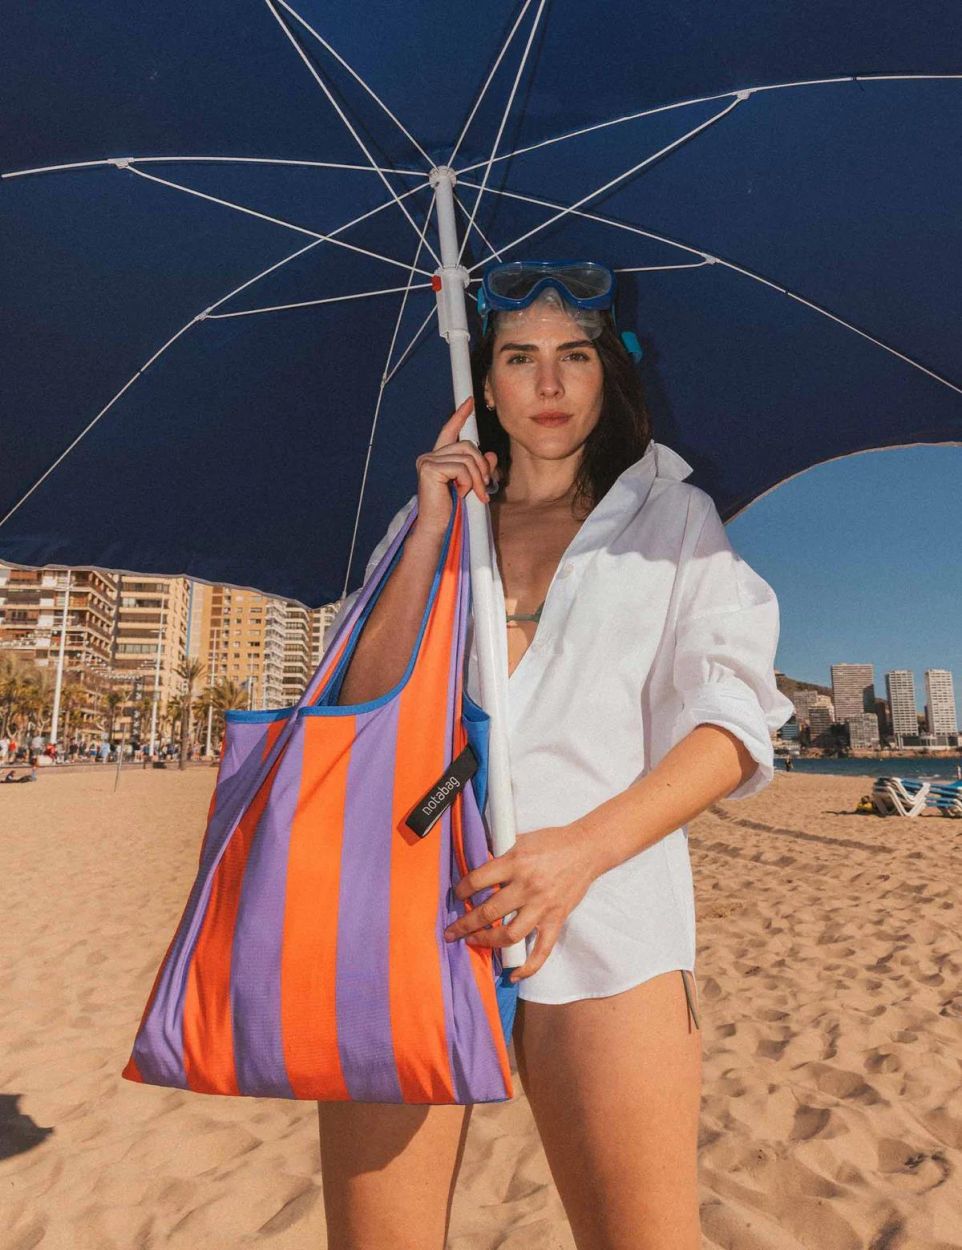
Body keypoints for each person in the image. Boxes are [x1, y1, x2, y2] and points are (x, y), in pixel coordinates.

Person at [317, 260, 793, 1250]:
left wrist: (576, 853)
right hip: (414, 912)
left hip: (609, 912)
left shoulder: (671, 519)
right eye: (518, 357)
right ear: (483, 385)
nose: (546, 383)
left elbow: (732, 721)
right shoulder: (426, 521)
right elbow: (358, 709)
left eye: (573, 355)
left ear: (607, 373)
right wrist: (429, 535)